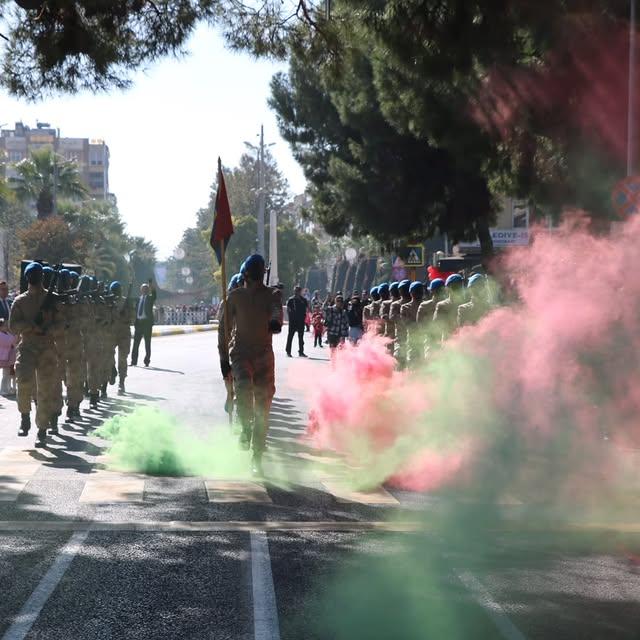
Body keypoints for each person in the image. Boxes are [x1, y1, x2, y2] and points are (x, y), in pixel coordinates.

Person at [218, 254, 282, 476]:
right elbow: (223, 331)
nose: (255, 280)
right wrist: (223, 360)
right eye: (253, 274)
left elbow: (276, 310)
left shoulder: (272, 295)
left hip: (264, 356)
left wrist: (274, 321)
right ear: (246, 275)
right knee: (244, 391)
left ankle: (257, 457)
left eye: (258, 274)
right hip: (241, 355)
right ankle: (245, 428)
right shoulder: (234, 297)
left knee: (263, 407)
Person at [9, 261, 59, 447]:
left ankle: (42, 430)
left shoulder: (53, 299)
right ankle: (25, 416)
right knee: (23, 383)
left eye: (37, 276)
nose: (34, 280)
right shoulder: (20, 301)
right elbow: (13, 327)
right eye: (31, 276)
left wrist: (48, 328)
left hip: (47, 348)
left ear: (42, 278)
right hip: (28, 347)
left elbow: (62, 325)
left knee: (45, 390)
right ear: (27, 278)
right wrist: (32, 327)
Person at [109, 281, 134, 395]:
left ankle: (121, 382)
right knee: (108, 355)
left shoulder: (127, 301)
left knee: (122, 358)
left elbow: (132, 317)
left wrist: (126, 313)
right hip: (112, 333)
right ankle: (112, 371)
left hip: (123, 333)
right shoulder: (108, 301)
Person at [433, 273, 466, 344]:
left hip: (449, 342)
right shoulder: (466, 303)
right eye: (457, 286)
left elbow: (436, 324)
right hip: (457, 342)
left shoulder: (441, 305)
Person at [131, 279, 157, 367]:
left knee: (147, 343)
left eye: (146, 289)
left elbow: (154, 294)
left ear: (148, 290)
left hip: (147, 324)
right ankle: (133, 361)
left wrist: (151, 285)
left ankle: (147, 360)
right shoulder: (138, 299)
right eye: (143, 289)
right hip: (139, 324)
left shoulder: (150, 298)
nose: (144, 290)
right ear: (140, 290)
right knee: (135, 343)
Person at [402, 281, 425, 368]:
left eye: (420, 291)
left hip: (427, 337)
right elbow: (407, 323)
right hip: (413, 338)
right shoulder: (405, 307)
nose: (419, 293)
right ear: (411, 292)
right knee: (412, 361)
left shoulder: (427, 304)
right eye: (416, 291)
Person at [285, 285, 308, 358]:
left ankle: (301, 352)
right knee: (290, 336)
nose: (296, 292)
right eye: (295, 291)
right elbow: (288, 309)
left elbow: (307, 308)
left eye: (298, 291)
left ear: (300, 292)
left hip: (301, 321)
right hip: (293, 321)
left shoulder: (303, 300)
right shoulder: (291, 300)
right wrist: (291, 317)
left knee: (301, 337)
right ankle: (288, 351)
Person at [0, 319, 16, 395]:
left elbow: (14, 341)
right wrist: (15, 336)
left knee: (6, 374)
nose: (7, 327)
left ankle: (7, 389)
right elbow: (9, 342)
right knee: (5, 374)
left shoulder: (7, 333)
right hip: (2, 356)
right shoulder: (1, 334)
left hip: (7, 356)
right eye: (5, 325)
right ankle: (3, 390)